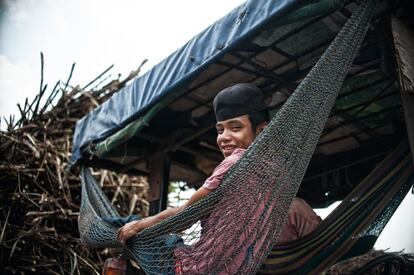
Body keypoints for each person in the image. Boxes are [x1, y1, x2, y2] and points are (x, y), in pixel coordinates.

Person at [117, 83, 321, 271]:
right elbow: (318, 242)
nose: (223, 137)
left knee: (126, 226)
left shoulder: (237, 162)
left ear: (262, 131)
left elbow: (185, 216)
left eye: (236, 128)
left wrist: (140, 225)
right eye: (220, 130)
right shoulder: (282, 182)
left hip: (190, 270)